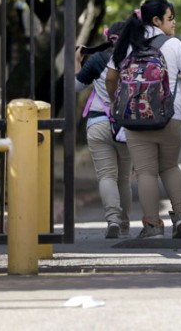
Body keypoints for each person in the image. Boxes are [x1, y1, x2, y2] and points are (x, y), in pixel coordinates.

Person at [104, 0, 181, 239]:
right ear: (156, 20)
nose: (174, 23)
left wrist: (115, 102)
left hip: (134, 117)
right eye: (170, 18)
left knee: (145, 172)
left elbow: (111, 78)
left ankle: (152, 225)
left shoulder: (126, 45)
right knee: (170, 166)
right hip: (169, 117)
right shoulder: (174, 46)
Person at [75, 21, 131, 239]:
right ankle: (125, 224)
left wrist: (77, 63)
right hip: (126, 127)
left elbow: (75, 87)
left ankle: (113, 220)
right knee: (124, 178)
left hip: (98, 123)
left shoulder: (99, 60)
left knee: (106, 175)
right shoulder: (136, 60)